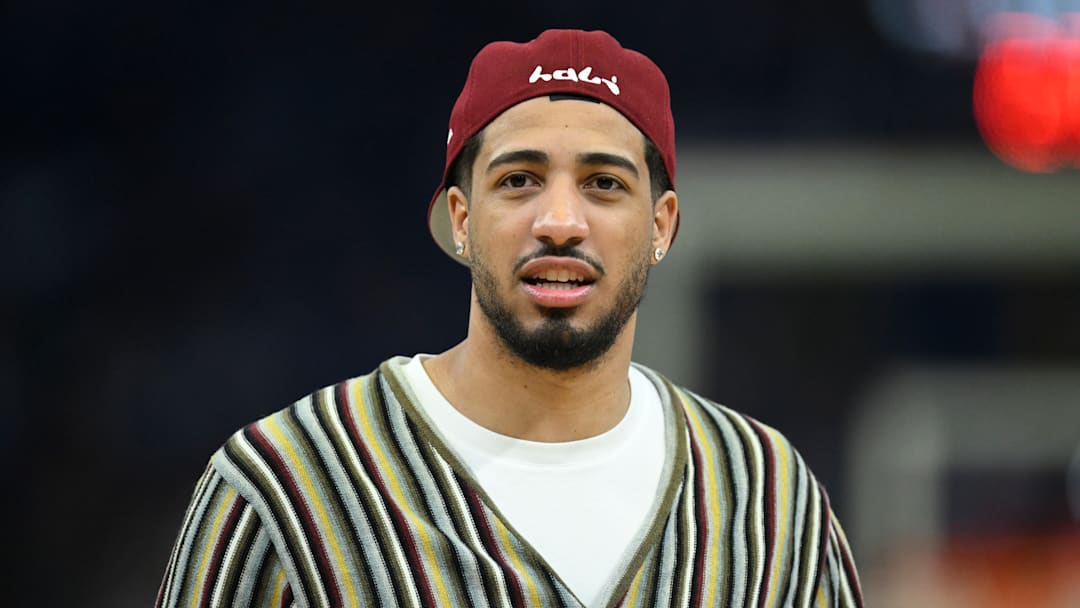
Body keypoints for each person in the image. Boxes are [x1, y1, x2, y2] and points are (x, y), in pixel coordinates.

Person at [156, 28, 863, 608]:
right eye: (519, 179)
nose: (559, 221)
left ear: (662, 225)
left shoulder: (771, 503)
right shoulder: (287, 488)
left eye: (604, 184)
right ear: (461, 218)